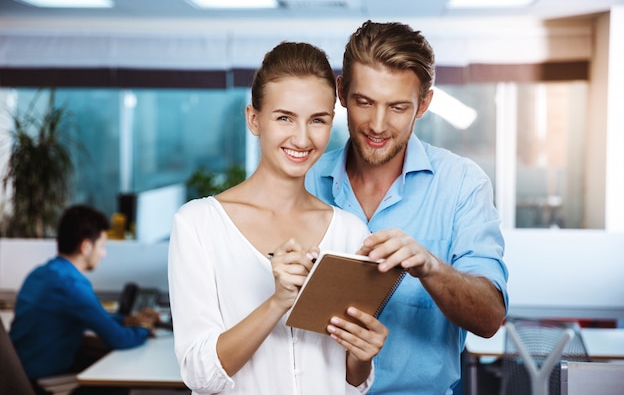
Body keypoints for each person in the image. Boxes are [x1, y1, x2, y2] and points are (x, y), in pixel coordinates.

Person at [168, 41, 388, 395]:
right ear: (254, 119)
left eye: (317, 120)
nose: (302, 138)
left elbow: (351, 383)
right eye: (284, 117)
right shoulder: (198, 225)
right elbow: (199, 375)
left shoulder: (350, 231)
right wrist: (278, 303)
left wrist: (363, 355)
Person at [305, 20, 509, 395]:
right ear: (341, 92)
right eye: (363, 102)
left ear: (424, 104)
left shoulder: (462, 184)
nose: (377, 125)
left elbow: (490, 318)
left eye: (398, 107)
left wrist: (430, 267)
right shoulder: (304, 180)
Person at [9, 204, 159, 394]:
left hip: (17, 377)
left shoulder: (41, 273)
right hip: (40, 383)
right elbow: (119, 339)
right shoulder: (72, 286)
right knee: (114, 386)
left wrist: (127, 319)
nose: (103, 253)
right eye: (102, 246)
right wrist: (144, 328)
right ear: (86, 246)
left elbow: (90, 317)